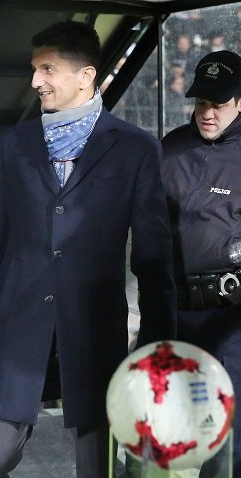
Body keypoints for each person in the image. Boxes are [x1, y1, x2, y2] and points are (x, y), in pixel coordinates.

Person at [0, 21, 176, 478]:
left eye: (47, 69)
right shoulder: (13, 144)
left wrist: (159, 337)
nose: (35, 81)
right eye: (34, 69)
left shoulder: (136, 149)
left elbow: (153, 253)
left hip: (95, 328)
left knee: (98, 464)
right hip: (18, 324)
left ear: (86, 76)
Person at [161, 49, 241, 478]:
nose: (208, 113)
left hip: (230, 323)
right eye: (202, 102)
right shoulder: (171, 148)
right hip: (171, 314)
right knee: (155, 434)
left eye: (219, 104)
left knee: (227, 448)